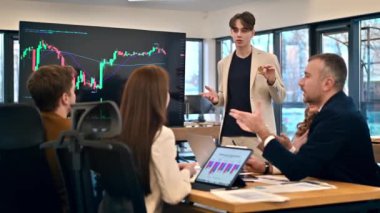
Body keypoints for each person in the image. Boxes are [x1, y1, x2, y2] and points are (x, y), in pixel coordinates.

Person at [230, 53, 380, 186]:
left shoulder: (338, 117)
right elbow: (309, 163)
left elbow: (297, 170)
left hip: (356, 200)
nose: (300, 82)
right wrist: (269, 165)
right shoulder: (335, 110)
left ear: (327, 83)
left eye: (307, 76)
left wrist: (261, 130)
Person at [99, 65, 196, 213]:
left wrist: (172, 170)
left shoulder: (115, 131)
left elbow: (135, 171)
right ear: (159, 96)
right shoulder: (161, 134)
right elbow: (173, 195)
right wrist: (187, 172)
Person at [202, 11, 285, 160]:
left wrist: (272, 81)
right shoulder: (223, 63)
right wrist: (216, 99)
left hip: (257, 134)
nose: (239, 34)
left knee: (261, 179)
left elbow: (279, 98)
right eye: (235, 30)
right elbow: (224, 98)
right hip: (229, 133)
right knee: (228, 180)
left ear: (253, 32)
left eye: (244, 30)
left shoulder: (268, 59)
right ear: (231, 32)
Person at [27, 64, 77, 212]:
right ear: (65, 98)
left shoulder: (24, 129)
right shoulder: (73, 132)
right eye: (73, 91)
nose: (75, 95)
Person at [245, 104, 319, 174]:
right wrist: (288, 147)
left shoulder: (323, 130)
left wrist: (266, 168)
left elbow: (305, 166)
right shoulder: (304, 128)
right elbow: (298, 163)